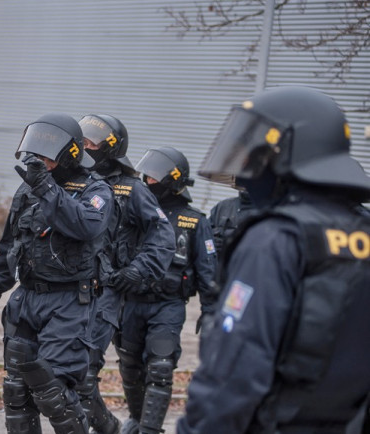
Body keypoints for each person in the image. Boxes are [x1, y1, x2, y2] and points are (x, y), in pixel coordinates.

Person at [176, 86, 370, 433]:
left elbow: (235, 370)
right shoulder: (363, 233)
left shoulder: (276, 238)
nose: (248, 165)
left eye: (256, 153)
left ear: (287, 153)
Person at [0, 113, 114, 434]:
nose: (39, 160)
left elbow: (86, 225)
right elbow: (9, 245)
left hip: (68, 301)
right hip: (27, 298)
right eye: (35, 152)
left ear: (70, 154)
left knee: (53, 390)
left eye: (47, 154)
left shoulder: (96, 190)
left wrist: (47, 188)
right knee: (16, 390)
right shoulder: (27, 191)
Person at [76, 114, 176, 434]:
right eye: (83, 140)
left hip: (106, 289)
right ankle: (108, 426)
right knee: (58, 370)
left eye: (92, 142)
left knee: (84, 372)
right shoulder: (73, 182)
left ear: (111, 148)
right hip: (67, 288)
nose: (85, 146)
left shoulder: (132, 189)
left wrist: (136, 271)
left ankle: (107, 428)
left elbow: (162, 237)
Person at [121, 146, 217, 434]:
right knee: (129, 365)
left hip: (168, 304)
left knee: (160, 367)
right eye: (144, 176)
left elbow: (208, 269)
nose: (146, 182)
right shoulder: (134, 211)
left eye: (152, 178)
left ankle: (150, 429)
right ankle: (137, 420)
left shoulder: (194, 221)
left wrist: (210, 309)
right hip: (131, 302)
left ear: (171, 182)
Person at [208, 183, 257, 271]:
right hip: (219, 272)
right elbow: (205, 239)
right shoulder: (223, 206)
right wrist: (212, 247)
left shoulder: (265, 211)